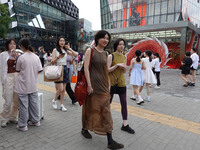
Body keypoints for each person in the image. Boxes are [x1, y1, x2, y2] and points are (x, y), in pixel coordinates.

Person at [82, 30, 124, 149]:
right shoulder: (90, 50)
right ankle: (84, 128)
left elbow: (106, 70)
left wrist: (109, 85)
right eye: (103, 38)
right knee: (89, 108)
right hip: (93, 86)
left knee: (106, 111)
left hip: (104, 87)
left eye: (107, 38)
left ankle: (110, 140)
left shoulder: (106, 53)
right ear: (97, 39)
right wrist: (89, 85)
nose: (106, 40)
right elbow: (86, 69)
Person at [15, 38, 43, 131]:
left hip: (23, 85)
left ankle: (23, 125)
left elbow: (18, 70)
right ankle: (36, 121)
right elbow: (39, 71)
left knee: (23, 105)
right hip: (33, 84)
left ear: (21, 46)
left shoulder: (21, 57)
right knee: (34, 104)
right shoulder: (36, 57)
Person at [108, 38, 135, 134]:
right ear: (116, 45)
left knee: (124, 103)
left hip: (121, 83)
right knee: (108, 103)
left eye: (123, 44)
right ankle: (104, 122)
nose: (121, 46)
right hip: (111, 83)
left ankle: (125, 124)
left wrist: (123, 68)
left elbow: (124, 71)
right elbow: (106, 70)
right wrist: (116, 66)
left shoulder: (124, 57)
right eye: (119, 44)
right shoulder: (111, 56)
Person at [51, 37, 78, 111]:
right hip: (58, 69)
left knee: (63, 90)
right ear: (58, 42)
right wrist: (58, 57)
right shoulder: (55, 50)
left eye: (63, 41)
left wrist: (69, 48)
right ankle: (54, 100)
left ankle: (61, 105)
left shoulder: (65, 50)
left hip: (65, 69)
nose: (62, 42)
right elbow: (52, 62)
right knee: (60, 89)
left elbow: (75, 55)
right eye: (60, 41)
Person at [0, 39, 19, 128]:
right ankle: (4, 118)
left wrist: (16, 58)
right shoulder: (3, 55)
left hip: (17, 77)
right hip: (7, 76)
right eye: (10, 43)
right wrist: (2, 80)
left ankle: (13, 117)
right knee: (8, 99)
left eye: (14, 44)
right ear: (7, 45)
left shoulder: (18, 54)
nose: (12, 45)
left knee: (16, 99)